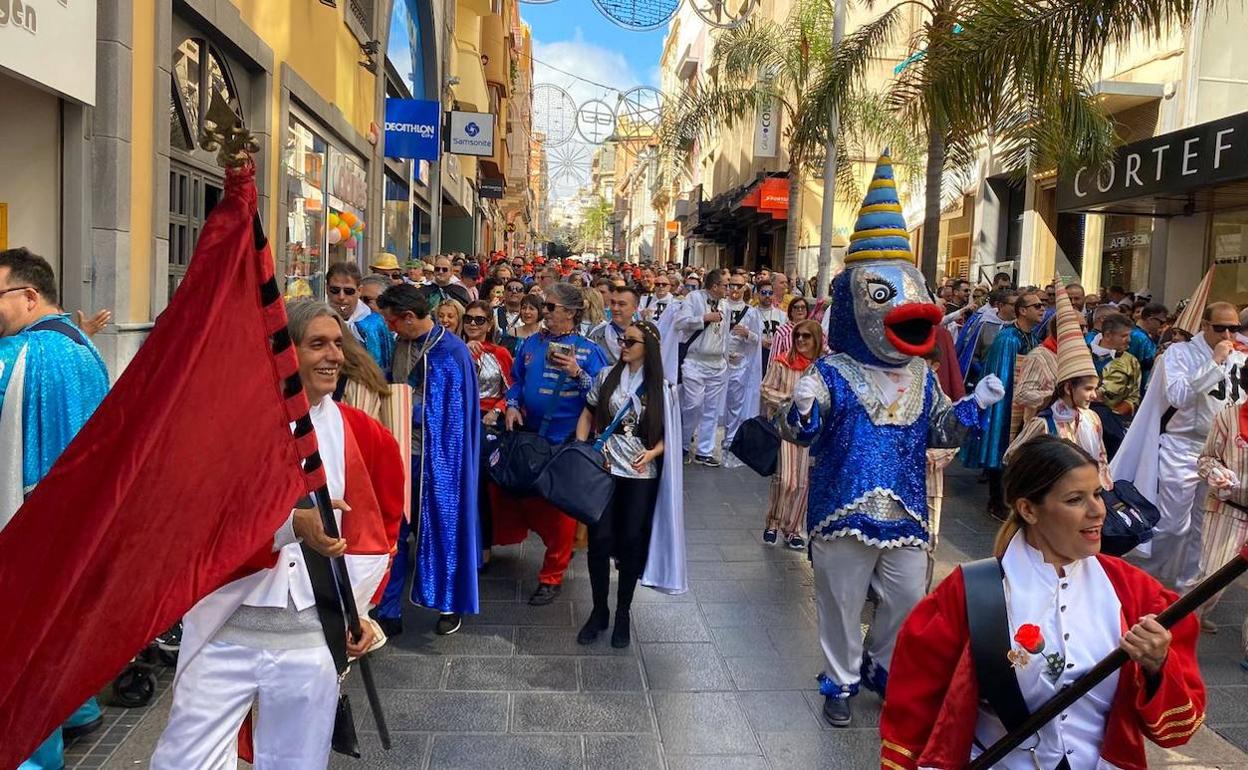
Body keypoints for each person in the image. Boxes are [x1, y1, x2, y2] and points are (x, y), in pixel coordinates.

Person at [779, 152, 1004, 728]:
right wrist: (801, 408)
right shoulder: (831, 372)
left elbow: (941, 431)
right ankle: (839, 679)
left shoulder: (923, 376)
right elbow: (799, 433)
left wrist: (974, 407)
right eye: (882, 298)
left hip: (906, 510)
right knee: (839, 601)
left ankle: (880, 664)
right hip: (841, 508)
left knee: (907, 598)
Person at [151, 302, 404, 769]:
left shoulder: (363, 434)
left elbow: (381, 529)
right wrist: (290, 526)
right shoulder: (230, 430)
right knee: (183, 761)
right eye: (317, 344)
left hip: (310, 642)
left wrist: (361, 610)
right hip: (223, 630)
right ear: (285, 352)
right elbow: (203, 522)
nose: (333, 356)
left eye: (338, 344)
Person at [882, 435, 1205, 769]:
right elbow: (912, 717)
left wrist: (1157, 666)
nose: (1098, 510)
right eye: (1075, 499)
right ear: (1028, 509)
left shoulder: (1134, 591)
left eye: (1098, 494)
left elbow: (1177, 730)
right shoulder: (967, 592)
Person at [0, 248, 111, 769]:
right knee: (59, 628)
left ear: (28, 296)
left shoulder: (18, 353)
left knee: (20, 644)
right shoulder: (83, 345)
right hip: (80, 518)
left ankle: (33, 757)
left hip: (28, 519)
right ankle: (79, 709)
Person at [1113, 301, 1248, 594]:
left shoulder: (1239, 357)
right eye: (1220, 328)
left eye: (1234, 328)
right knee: (1171, 525)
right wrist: (1214, 363)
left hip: (1220, 452)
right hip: (1182, 447)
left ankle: (1188, 596)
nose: (1227, 334)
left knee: (1204, 529)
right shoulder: (1179, 353)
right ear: (1204, 326)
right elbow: (1177, 396)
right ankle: (1146, 588)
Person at [373, 285, 481, 636]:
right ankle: (389, 610)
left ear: (408, 317)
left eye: (392, 321)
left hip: (438, 460)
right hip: (399, 454)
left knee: (441, 530)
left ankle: (448, 603)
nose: (389, 328)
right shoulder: (401, 343)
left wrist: (407, 410)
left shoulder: (452, 351)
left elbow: (454, 415)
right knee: (394, 533)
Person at [495, 283, 609, 605]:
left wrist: (577, 373)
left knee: (561, 512)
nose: (544, 312)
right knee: (523, 498)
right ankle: (559, 546)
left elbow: (602, 395)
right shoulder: (531, 343)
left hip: (567, 442)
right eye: (544, 306)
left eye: (550, 307)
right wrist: (512, 404)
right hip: (530, 437)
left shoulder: (589, 351)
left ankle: (551, 576)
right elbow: (516, 381)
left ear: (571, 313)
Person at [574, 320, 683, 648]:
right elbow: (588, 413)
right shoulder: (606, 376)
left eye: (631, 342)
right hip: (605, 469)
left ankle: (623, 611)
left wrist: (653, 452)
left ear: (647, 349)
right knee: (599, 540)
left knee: (632, 541)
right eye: (623, 340)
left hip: (640, 474)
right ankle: (599, 610)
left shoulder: (662, 387)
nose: (623, 346)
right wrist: (583, 449)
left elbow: (671, 434)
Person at [1006, 286, 1113, 489]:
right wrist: (1055, 396)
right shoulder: (1039, 356)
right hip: (1048, 427)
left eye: (1085, 327)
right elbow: (1022, 394)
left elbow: (1101, 458)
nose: (1085, 332)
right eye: (1080, 327)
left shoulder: (1092, 418)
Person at [960, 290, 1045, 520]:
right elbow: (1002, 375)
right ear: (1022, 310)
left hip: (1023, 400)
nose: (1042, 309)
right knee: (1001, 445)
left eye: (1043, 305)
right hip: (1007, 401)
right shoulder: (1008, 338)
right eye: (1037, 305)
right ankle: (997, 501)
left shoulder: (1032, 337)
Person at [461, 300, 514, 570]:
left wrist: (497, 410)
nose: (472, 324)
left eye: (479, 320)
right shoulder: (455, 351)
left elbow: (512, 391)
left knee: (480, 485)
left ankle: (483, 546)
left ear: (490, 324)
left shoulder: (500, 353)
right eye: (468, 318)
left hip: (487, 423)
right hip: (459, 421)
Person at [761, 319, 821, 549]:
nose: (800, 340)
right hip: (784, 429)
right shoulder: (781, 362)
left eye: (806, 336)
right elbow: (766, 390)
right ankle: (773, 523)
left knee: (802, 482)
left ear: (816, 339)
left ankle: (794, 528)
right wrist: (789, 401)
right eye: (797, 335)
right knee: (785, 479)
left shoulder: (821, 368)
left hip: (809, 432)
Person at [675, 268, 730, 467]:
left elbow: (725, 332)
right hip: (695, 361)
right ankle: (683, 444)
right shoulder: (694, 298)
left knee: (712, 409)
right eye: (726, 285)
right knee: (693, 405)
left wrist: (726, 355)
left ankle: (704, 451)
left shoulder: (725, 305)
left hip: (717, 363)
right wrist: (703, 319)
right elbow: (680, 323)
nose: (729, 288)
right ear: (715, 286)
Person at [719, 272, 763, 467]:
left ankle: (730, 440)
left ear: (745, 288)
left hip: (739, 365)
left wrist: (747, 334)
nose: (735, 289)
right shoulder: (720, 306)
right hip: (717, 362)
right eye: (732, 285)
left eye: (739, 286)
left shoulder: (751, 312)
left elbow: (757, 338)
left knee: (735, 404)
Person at [326, 261, 394, 374]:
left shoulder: (375, 324)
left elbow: (383, 369)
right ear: (327, 289)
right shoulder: (318, 321)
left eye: (349, 291)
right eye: (335, 290)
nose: (341, 297)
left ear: (359, 291)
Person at [1092, 312, 1142, 417]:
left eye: (1129, 335)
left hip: (1113, 420)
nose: (1129, 340)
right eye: (1124, 336)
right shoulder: (1084, 354)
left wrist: (1114, 414)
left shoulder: (1131, 361)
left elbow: (1134, 396)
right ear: (1108, 335)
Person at [587, 286, 641, 364]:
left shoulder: (644, 335)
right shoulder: (596, 335)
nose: (615, 308)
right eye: (613, 303)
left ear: (635, 308)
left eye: (621, 304)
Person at [1131, 302, 1168, 391]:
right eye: (1161, 322)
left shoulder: (1142, 335)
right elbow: (1136, 363)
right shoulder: (1138, 337)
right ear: (1150, 319)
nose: (1163, 326)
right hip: (1138, 387)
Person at [755, 279, 787, 371]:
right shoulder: (751, 314)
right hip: (757, 356)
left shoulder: (782, 315)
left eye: (770, 293)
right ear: (757, 294)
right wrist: (760, 341)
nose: (767, 296)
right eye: (764, 293)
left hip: (777, 355)